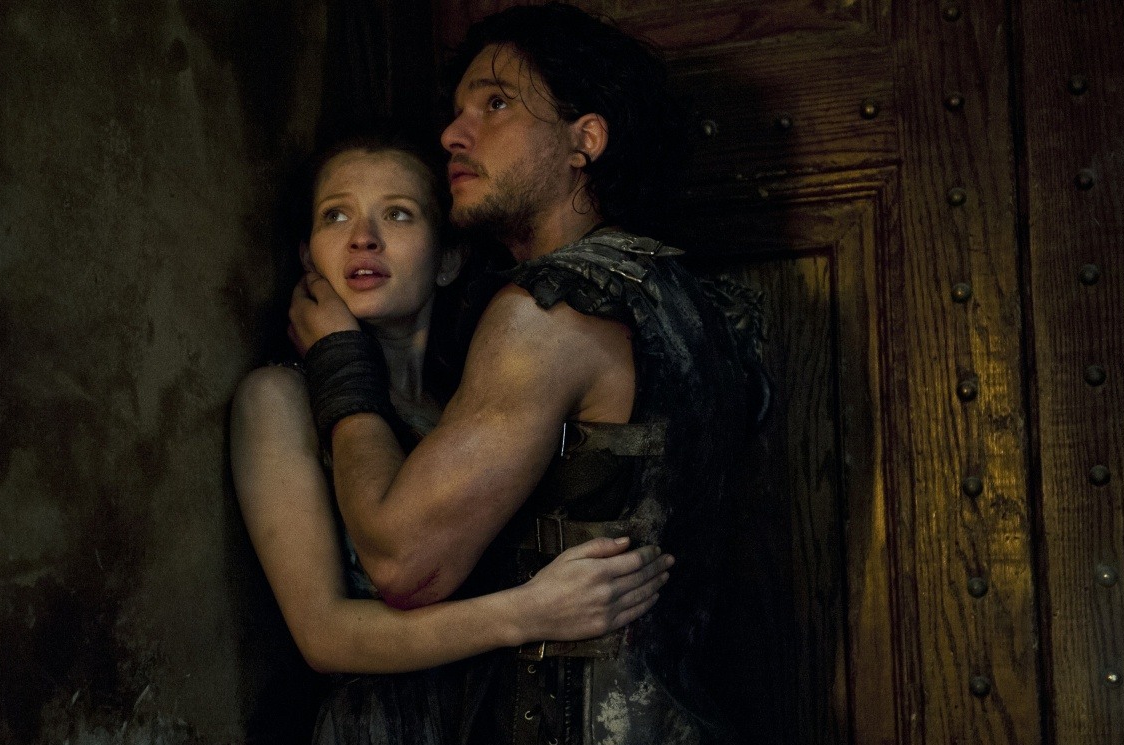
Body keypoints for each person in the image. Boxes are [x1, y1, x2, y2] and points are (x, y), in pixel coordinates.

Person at [289, 5, 770, 743]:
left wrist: (338, 362)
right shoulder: (695, 302)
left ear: (586, 140)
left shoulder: (549, 312)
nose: (453, 135)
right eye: (457, 112)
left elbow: (402, 560)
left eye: (496, 104)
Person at [231, 136, 675, 745]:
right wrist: (528, 612)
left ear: (447, 259)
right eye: (336, 215)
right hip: (380, 728)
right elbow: (323, 635)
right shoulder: (278, 398)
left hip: (492, 718)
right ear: (308, 256)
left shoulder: (465, 406)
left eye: (398, 214)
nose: (363, 238)